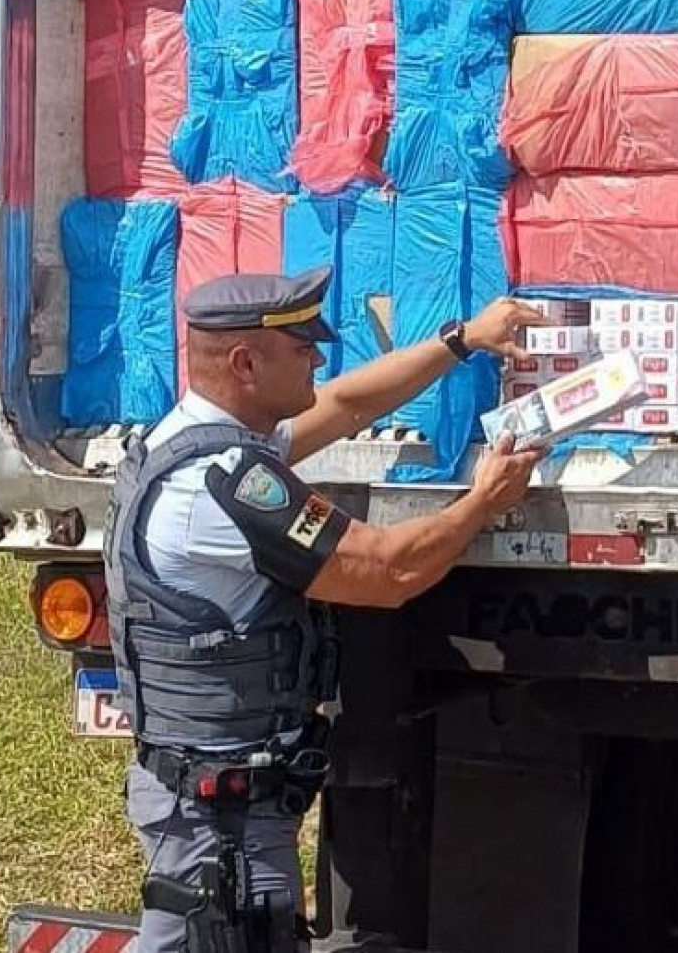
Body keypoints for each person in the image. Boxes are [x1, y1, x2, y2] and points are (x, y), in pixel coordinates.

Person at [104, 264, 546, 953]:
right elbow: (388, 570)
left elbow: (344, 403)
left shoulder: (186, 442)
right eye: (302, 346)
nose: (317, 357)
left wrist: (462, 340)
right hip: (225, 821)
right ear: (245, 363)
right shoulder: (223, 489)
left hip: (212, 798)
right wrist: (484, 502)